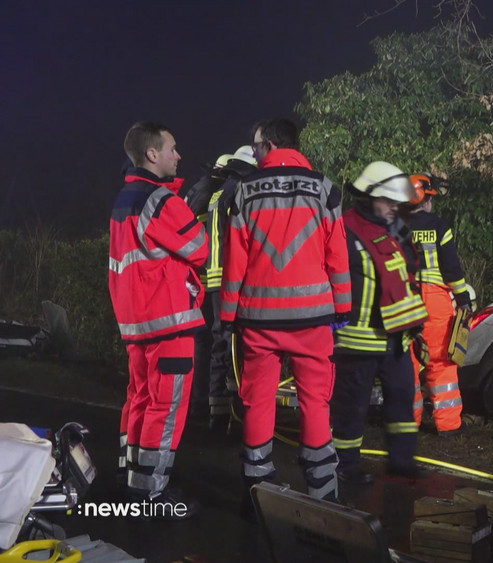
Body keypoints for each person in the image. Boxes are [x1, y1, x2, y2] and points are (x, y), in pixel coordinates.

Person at [221, 118, 351, 511]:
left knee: (258, 402)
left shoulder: (244, 191)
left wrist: (228, 317)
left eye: (257, 146)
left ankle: (258, 493)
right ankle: (323, 496)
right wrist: (341, 310)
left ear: (272, 145)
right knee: (315, 402)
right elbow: (338, 256)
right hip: (313, 320)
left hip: (258, 320)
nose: (254, 153)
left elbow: (234, 263)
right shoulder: (325, 188)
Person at [109, 122, 207, 517]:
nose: (178, 156)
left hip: (137, 322)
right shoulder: (161, 200)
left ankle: (132, 476)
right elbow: (199, 249)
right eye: (172, 149)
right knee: (166, 408)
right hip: (168, 319)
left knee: (141, 398)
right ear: (152, 154)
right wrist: (193, 204)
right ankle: (151, 495)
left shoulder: (124, 197)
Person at [331, 161, 430, 481]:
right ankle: (344, 468)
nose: (394, 207)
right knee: (351, 409)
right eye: (388, 201)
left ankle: (403, 463)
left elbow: (409, 277)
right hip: (356, 340)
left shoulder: (396, 230)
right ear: (369, 197)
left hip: (396, 337)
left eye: (396, 202)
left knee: (402, 400)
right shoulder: (344, 229)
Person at [188, 146, 258, 428]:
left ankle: (215, 409)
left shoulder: (214, 194)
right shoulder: (238, 193)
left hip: (210, 280)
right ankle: (234, 411)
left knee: (218, 344)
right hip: (229, 279)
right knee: (232, 345)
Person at [404, 173, 473, 436]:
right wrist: (463, 298)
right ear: (426, 199)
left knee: (406, 363)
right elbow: (452, 269)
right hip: (434, 301)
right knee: (440, 362)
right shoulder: (439, 226)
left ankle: (408, 423)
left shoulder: (394, 226)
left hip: (402, 299)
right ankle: (448, 424)